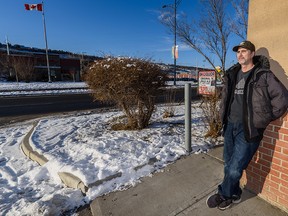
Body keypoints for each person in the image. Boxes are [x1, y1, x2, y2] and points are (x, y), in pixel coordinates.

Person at [206, 41, 288, 210]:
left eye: (244, 51)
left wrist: (266, 117)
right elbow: (226, 99)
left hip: (249, 128)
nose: (240, 54)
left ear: (252, 54)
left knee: (236, 167)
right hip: (230, 124)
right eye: (238, 52)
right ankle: (235, 193)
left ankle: (224, 194)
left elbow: (282, 98)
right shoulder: (232, 73)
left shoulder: (263, 74)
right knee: (229, 163)